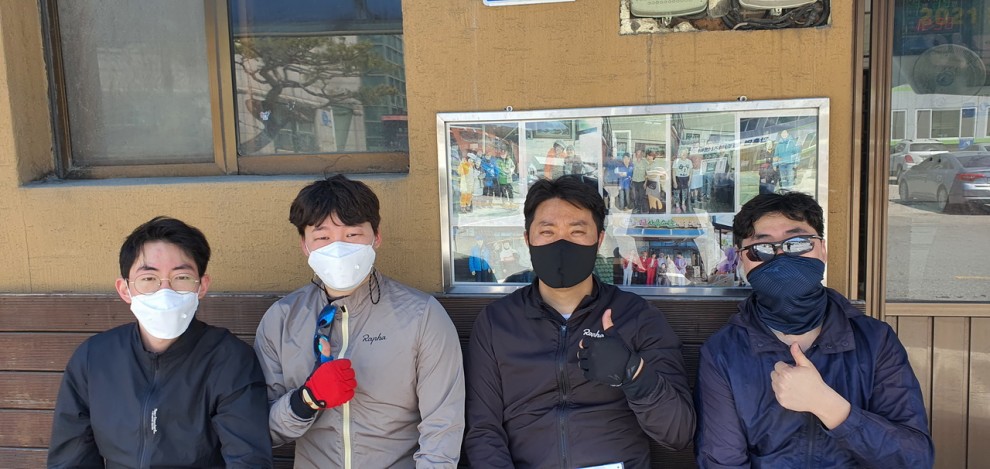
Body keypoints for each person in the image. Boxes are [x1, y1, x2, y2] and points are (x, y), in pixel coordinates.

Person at [465, 175, 695, 468]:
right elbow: (483, 431)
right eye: (547, 232)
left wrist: (633, 373)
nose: (561, 243)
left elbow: (679, 433)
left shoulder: (637, 317)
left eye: (577, 231)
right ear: (527, 239)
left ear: (599, 240)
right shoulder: (497, 323)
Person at [694, 192, 933, 468]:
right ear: (742, 261)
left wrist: (827, 405)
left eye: (798, 243)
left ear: (822, 249)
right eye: (761, 248)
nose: (781, 257)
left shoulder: (875, 340)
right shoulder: (724, 353)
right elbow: (722, 462)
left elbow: (914, 459)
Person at [254, 175, 465, 467]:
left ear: (376, 236)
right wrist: (306, 400)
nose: (338, 247)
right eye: (323, 237)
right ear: (304, 245)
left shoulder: (422, 316)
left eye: (352, 234)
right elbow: (259, 429)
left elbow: (442, 428)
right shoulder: (281, 319)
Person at [48, 217, 273, 468]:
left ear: (201, 286)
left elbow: (248, 460)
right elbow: (71, 459)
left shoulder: (229, 359)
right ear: (124, 289)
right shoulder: (94, 358)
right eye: (148, 279)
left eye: (181, 277)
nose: (165, 292)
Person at [672, 149, 694, 213]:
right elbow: (673, 172)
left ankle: (683, 204)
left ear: (687, 154)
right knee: (676, 192)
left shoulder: (689, 161)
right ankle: (677, 206)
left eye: (685, 153)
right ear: (680, 154)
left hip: (686, 178)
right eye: (682, 153)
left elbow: (691, 172)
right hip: (678, 178)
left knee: (684, 192)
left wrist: (689, 180)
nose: (684, 154)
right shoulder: (676, 161)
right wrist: (674, 182)